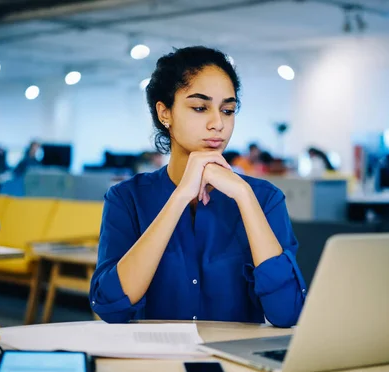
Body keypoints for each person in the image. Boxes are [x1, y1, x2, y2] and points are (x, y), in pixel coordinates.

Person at [90, 46, 306, 327]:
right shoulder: (127, 198)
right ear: (165, 112)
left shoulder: (265, 199)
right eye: (200, 108)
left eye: (227, 110)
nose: (218, 123)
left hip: (235, 365)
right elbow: (110, 307)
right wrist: (180, 197)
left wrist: (244, 196)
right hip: (153, 363)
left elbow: (287, 313)